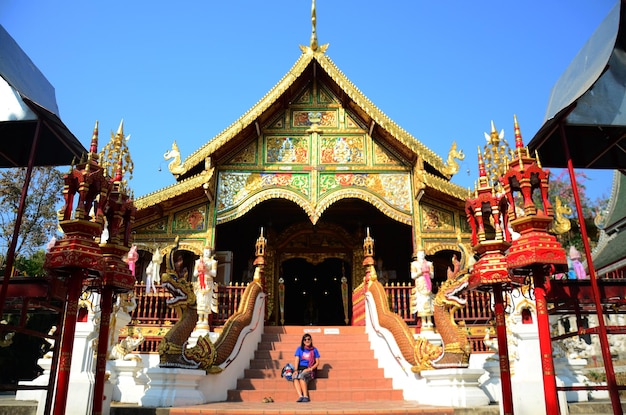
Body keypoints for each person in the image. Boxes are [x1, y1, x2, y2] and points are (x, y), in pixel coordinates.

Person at [410, 250, 435, 330]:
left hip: (427, 284)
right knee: (421, 302)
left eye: (422, 254)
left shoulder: (429, 264)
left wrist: (427, 272)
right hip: (420, 284)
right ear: (416, 255)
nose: (421, 255)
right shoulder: (414, 264)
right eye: (419, 254)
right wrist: (420, 272)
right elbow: (413, 276)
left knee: (428, 301)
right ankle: (424, 321)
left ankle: (430, 320)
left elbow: (432, 276)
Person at [293, 334, 320, 403]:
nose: (307, 340)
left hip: (309, 368)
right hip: (300, 368)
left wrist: (310, 369)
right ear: (303, 341)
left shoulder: (314, 350)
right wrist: (295, 370)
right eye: (305, 339)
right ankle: (300, 396)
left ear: (311, 340)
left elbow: (317, 363)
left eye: (308, 339)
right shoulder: (299, 349)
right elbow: (297, 359)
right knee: (295, 377)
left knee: (302, 376)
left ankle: (306, 396)